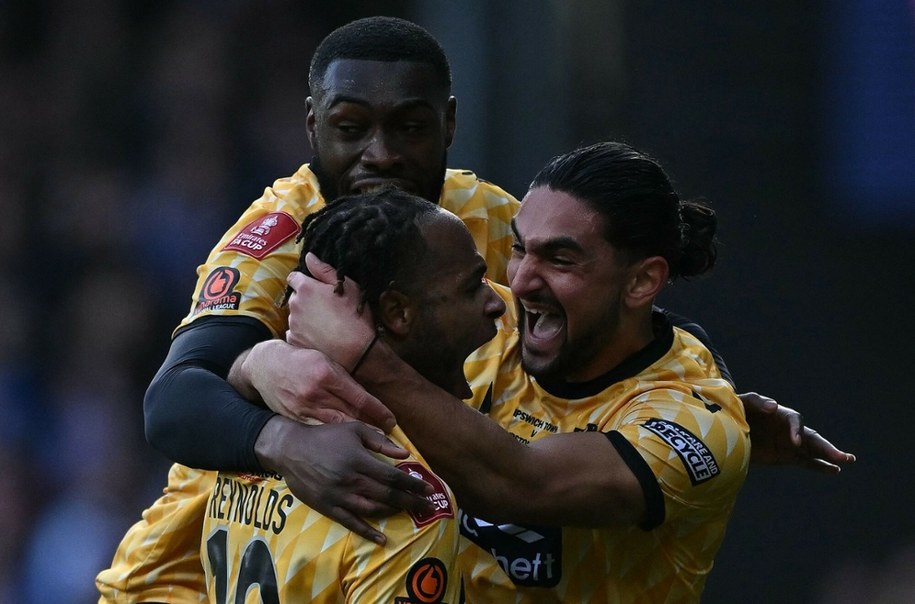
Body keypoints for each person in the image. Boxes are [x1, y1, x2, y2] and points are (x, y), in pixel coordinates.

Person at [98, 14, 853, 604]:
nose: (512, 285)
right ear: (312, 128)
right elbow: (174, 398)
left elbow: (603, 358)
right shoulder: (282, 248)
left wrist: (712, 400)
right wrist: (273, 419)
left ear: (449, 125)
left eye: (410, 128)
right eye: (352, 127)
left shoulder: (474, 239)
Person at [284, 141, 752, 602]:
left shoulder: (696, 422)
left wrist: (363, 356)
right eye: (520, 249)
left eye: (560, 259)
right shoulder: (487, 315)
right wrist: (258, 367)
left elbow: (522, 482)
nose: (521, 280)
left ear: (642, 281)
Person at [202, 188, 504, 602]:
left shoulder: (238, 459)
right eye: (473, 287)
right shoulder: (401, 498)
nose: (497, 303)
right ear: (398, 313)